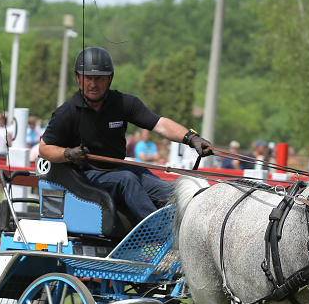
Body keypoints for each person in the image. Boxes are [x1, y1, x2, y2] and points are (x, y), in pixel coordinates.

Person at [38, 47, 213, 223]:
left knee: (170, 192)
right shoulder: (66, 113)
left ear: (110, 78)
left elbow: (160, 124)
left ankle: (186, 230)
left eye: (99, 78)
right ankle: (159, 232)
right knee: (127, 180)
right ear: (78, 78)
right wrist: (68, 153)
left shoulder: (124, 103)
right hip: (86, 174)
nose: (93, 84)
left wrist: (191, 138)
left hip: (119, 169)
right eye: (88, 78)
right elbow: (44, 149)